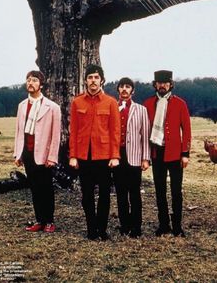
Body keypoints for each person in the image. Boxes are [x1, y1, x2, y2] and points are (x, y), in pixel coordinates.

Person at [69, 64, 120, 240]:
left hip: (104, 156)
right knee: (87, 195)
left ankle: (102, 228)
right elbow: (73, 131)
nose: (93, 81)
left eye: (96, 77)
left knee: (105, 194)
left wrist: (115, 156)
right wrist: (73, 155)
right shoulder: (77, 102)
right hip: (84, 156)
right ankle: (91, 228)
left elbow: (115, 131)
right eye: (90, 77)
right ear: (85, 81)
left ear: (102, 80)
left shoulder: (111, 102)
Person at [143, 70, 191, 237]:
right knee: (160, 190)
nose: (162, 85)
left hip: (175, 153)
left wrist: (186, 154)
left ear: (171, 84)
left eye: (165, 82)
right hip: (157, 152)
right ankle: (163, 224)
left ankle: (177, 226)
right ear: (155, 84)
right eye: (159, 82)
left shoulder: (180, 103)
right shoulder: (148, 103)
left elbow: (187, 130)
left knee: (176, 191)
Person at [14, 70, 61, 233]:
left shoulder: (52, 107)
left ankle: (49, 221)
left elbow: (56, 135)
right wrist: (18, 154)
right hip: (27, 152)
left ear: (41, 84)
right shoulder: (21, 106)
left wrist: (52, 157)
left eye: (34, 80)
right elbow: (19, 131)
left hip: (44, 154)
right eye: (28, 80)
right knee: (34, 187)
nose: (30, 83)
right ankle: (39, 220)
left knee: (46, 188)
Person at [113, 77, 150, 238]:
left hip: (134, 155)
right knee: (120, 193)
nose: (124, 90)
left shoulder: (140, 110)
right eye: (122, 87)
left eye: (128, 87)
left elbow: (145, 135)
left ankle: (136, 226)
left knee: (134, 193)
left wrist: (145, 158)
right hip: (116, 156)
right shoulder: (112, 107)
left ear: (132, 91)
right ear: (118, 90)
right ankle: (124, 224)